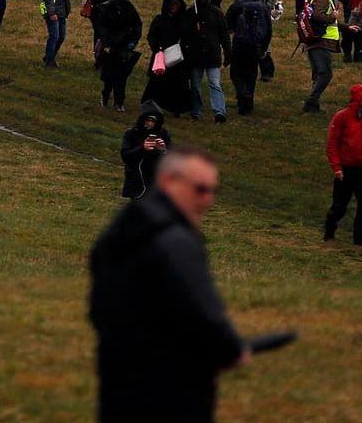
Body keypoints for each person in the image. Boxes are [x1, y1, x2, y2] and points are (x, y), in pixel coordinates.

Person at [89, 147, 248, 423]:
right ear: (168, 182)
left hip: (118, 380)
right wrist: (231, 349)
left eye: (213, 191)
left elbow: (99, 306)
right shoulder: (175, 241)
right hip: (174, 391)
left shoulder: (126, 226)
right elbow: (203, 310)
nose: (208, 200)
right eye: (200, 189)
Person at [324, 84, 362, 245]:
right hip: (347, 168)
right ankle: (329, 230)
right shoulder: (342, 117)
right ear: (358, 99)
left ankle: (360, 240)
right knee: (340, 205)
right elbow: (332, 144)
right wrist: (337, 167)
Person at [142, 0, 196, 115]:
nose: (173, 7)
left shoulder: (183, 20)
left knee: (178, 84)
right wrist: (157, 48)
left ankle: (177, 108)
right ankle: (152, 105)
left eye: (176, 5)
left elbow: (188, 36)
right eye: (171, 5)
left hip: (177, 58)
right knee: (157, 82)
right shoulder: (160, 19)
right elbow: (152, 35)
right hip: (161, 56)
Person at [185, 0, 230, 123]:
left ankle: (219, 110)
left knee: (215, 84)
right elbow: (185, 33)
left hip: (212, 54)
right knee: (196, 85)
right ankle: (196, 110)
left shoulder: (216, 13)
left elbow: (224, 35)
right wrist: (193, 26)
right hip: (196, 55)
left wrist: (228, 53)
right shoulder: (191, 13)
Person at [224, 0, 271, 115]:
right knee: (251, 74)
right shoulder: (262, 7)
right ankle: (248, 101)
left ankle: (243, 94)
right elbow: (268, 29)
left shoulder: (236, 6)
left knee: (236, 74)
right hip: (256, 46)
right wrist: (263, 48)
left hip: (239, 45)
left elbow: (226, 25)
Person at [95, 0, 143, 112]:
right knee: (109, 77)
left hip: (124, 47)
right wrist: (106, 43)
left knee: (121, 77)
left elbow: (137, 26)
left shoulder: (129, 8)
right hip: (110, 46)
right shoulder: (107, 8)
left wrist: (133, 41)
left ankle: (119, 102)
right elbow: (102, 28)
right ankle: (105, 96)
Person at [119, 102, 172, 199]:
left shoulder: (163, 134)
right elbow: (125, 156)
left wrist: (163, 150)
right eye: (148, 120)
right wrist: (142, 148)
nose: (150, 124)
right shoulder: (131, 133)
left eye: (153, 121)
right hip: (137, 178)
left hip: (156, 179)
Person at [299, 0, 341, 112]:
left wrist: (347, 27)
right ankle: (310, 102)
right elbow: (318, 16)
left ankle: (314, 106)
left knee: (317, 75)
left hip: (314, 42)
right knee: (325, 74)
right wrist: (332, 17)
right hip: (321, 42)